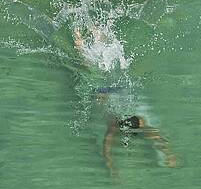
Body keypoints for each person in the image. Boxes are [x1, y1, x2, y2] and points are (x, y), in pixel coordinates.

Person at [73, 24, 178, 178]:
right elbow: (107, 147)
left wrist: (169, 154)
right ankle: (81, 34)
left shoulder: (136, 121)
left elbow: (156, 137)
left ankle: (91, 32)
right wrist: (111, 168)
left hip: (114, 87)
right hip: (104, 89)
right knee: (92, 63)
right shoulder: (116, 124)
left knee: (104, 62)